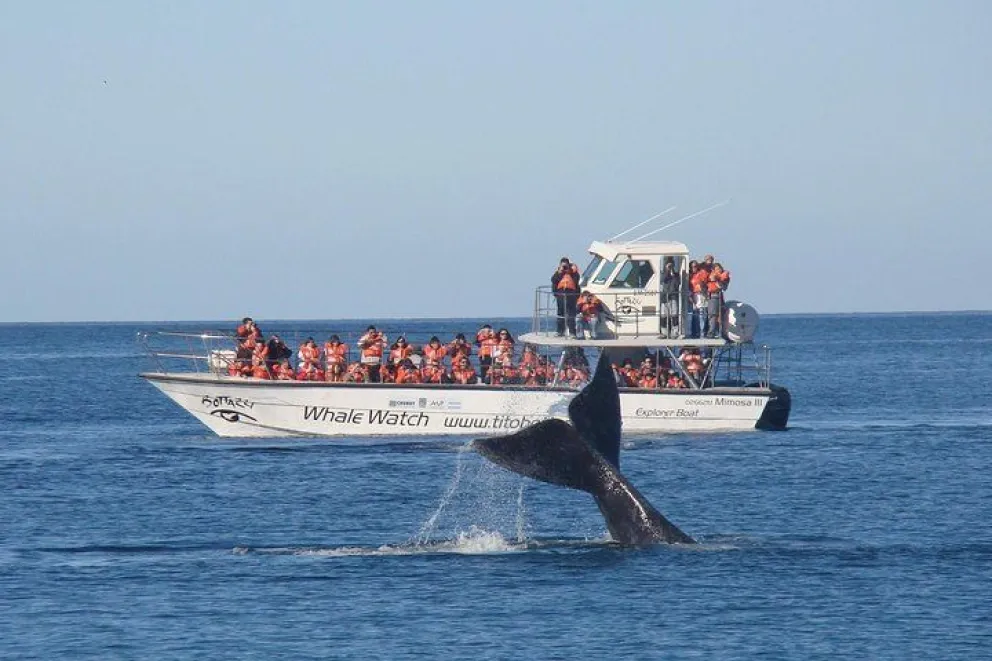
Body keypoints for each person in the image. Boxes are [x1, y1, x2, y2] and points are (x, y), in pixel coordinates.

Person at [551, 257, 581, 336]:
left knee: (571, 314)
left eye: (566, 266)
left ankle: (572, 332)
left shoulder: (574, 273)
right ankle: (560, 331)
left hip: (571, 296)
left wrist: (570, 272)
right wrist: (560, 272)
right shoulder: (558, 273)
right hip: (560, 296)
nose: (564, 268)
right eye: (563, 266)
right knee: (561, 314)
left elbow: (576, 281)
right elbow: (554, 280)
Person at [706, 263, 731, 338]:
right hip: (712, 297)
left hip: (719, 297)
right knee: (713, 315)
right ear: (713, 270)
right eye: (717, 269)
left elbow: (724, 287)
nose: (719, 270)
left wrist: (718, 280)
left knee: (720, 315)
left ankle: (719, 331)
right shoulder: (710, 276)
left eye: (720, 268)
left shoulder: (724, 277)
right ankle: (711, 332)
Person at [660, 258, 682, 338]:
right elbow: (662, 280)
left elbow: (677, 283)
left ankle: (675, 332)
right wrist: (667, 271)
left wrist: (673, 274)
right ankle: (664, 332)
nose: (670, 266)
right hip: (664, 297)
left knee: (674, 314)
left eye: (671, 265)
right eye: (668, 265)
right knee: (663, 315)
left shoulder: (676, 275)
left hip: (673, 296)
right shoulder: (663, 273)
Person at [689, 260, 710, 338]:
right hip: (693, 296)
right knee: (694, 315)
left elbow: (705, 283)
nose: (694, 268)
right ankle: (695, 332)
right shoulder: (689, 276)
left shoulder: (701, 273)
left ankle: (702, 332)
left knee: (702, 315)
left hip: (701, 295)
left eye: (695, 266)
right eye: (692, 266)